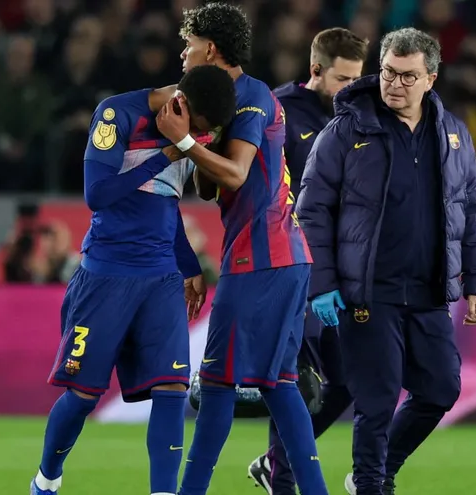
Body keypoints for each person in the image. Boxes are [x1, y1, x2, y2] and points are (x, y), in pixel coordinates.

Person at [296, 27, 476, 495]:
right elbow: (312, 209)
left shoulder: (454, 134)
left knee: (441, 389)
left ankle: (381, 469)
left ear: (431, 78)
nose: (394, 84)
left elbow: (472, 209)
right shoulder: (347, 128)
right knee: (377, 400)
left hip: (428, 290)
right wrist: (322, 283)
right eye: (388, 72)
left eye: (407, 77)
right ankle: (370, 484)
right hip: (367, 291)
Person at [30, 65, 237, 495]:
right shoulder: (116, 115)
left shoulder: (188, 134)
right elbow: (96, 194)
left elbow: (166, 204)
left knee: (172, 390)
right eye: (196, 127)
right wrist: (165, 155)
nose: (196, 136)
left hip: (161, 277)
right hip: (106, 274)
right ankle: (47, 478)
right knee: (83, 396)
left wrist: (189, 265)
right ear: (180, 102)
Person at [158, 3, 328, 495]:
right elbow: (216, 188)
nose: (183, 56)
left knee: (215, 384)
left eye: (188, 47)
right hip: (279, 254)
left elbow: (233, 172)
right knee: (280, 385)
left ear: (210, 49)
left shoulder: (250, 96)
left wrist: (186, 140)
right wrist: (202, 138)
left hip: (261, 255)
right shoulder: (232, 99)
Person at [248, 27, 368, 495]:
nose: (352, 88)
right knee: (293, 380)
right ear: (315, 70)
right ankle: (283, 483)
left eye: (358, 78)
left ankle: (274, 462)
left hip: (336, 271)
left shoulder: (362, 114)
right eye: (343, 79)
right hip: (285, 265)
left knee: (348, 380)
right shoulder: (277, 111)